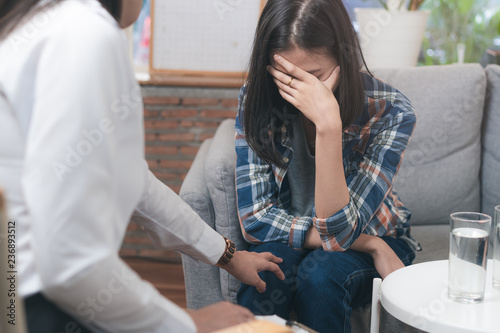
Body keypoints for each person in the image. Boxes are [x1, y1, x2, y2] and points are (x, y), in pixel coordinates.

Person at [0, 0, 285, 332]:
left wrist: (228, 255)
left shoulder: (42, 22)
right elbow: (71, 261)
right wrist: (188, 323)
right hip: (29, 304)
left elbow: (137, 184)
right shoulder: (84, 34)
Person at [234, 0, 420, 332]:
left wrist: (328, 126)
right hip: (339, 238)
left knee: (321, 276)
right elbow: (256, 220)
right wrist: (370, 246)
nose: (301, 92)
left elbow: (340, 235)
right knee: (264, 276)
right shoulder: (258, 97)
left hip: (377, 232)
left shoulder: (391, 111)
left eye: (315, 77)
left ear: (343, 60)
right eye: (287, 77)